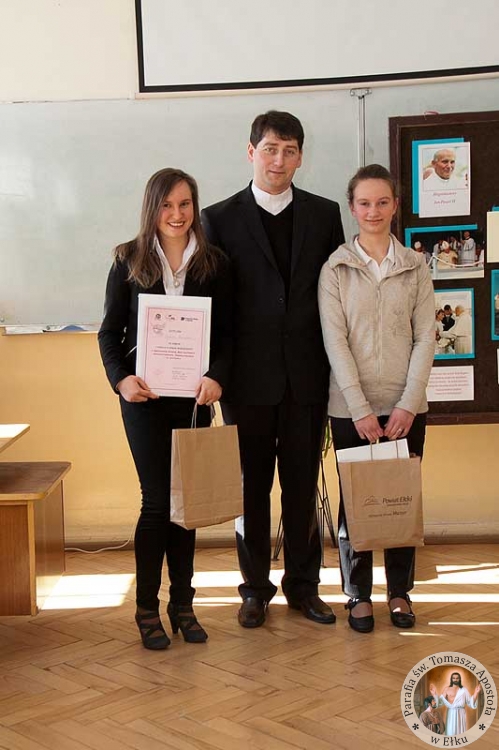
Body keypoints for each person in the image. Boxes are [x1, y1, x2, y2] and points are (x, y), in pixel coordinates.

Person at [202, 110, 345, 629]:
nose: (278, 160)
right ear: (251, 152)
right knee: (251, 490)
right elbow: (214, 306)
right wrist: (214, 372)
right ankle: (255, 589)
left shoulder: (325, 214)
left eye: (289, 150)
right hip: (246, 382)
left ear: (300, 156)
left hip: (308, 376)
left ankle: (304, 587)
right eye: (269, 149)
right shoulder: (218, 218)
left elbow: (336, 296)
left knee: (303, 487)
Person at [98, 168, 232, 650]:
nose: (177, 214)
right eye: (167, 205)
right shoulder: (128, 259)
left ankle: (183, 605)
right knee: (157, 502)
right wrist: (121, 380)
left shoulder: (214, 263)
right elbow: (109, 332)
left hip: (193, 400)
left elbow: (228, 334)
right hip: (144, 399)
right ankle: (146, 609)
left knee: (185, 506)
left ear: (195, 206)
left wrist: (217, 376)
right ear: (152, 208)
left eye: (185, 204)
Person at [318, 164, 434, 633]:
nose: (373, 211)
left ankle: (400, 593)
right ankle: (358, 595)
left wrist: (408, 402)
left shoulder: (415, 266)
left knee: (401, 499)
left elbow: (426, 337)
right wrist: (360, 409)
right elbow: (335, 341)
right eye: (364, 203)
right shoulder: (336, 268)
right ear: (352, 208)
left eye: (382, 202)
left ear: (395, 206)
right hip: (351, 409)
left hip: (407, 407)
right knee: (358, 502)